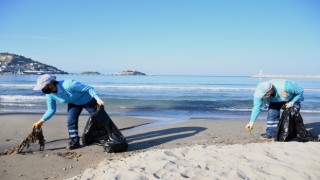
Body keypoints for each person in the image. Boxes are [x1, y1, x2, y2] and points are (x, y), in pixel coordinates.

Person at [32, 74, 105, 150]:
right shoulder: (50, 95)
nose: (42, 90)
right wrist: (41, 121)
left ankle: (106, 137)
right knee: (71, 121)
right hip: (74, 103)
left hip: (88, 100)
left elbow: (88, 88)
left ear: (50, 84)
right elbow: (51, 110)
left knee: (98, 119)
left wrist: (97, 98)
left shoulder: (69, 84)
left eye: (43, 87)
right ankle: (74, 142)